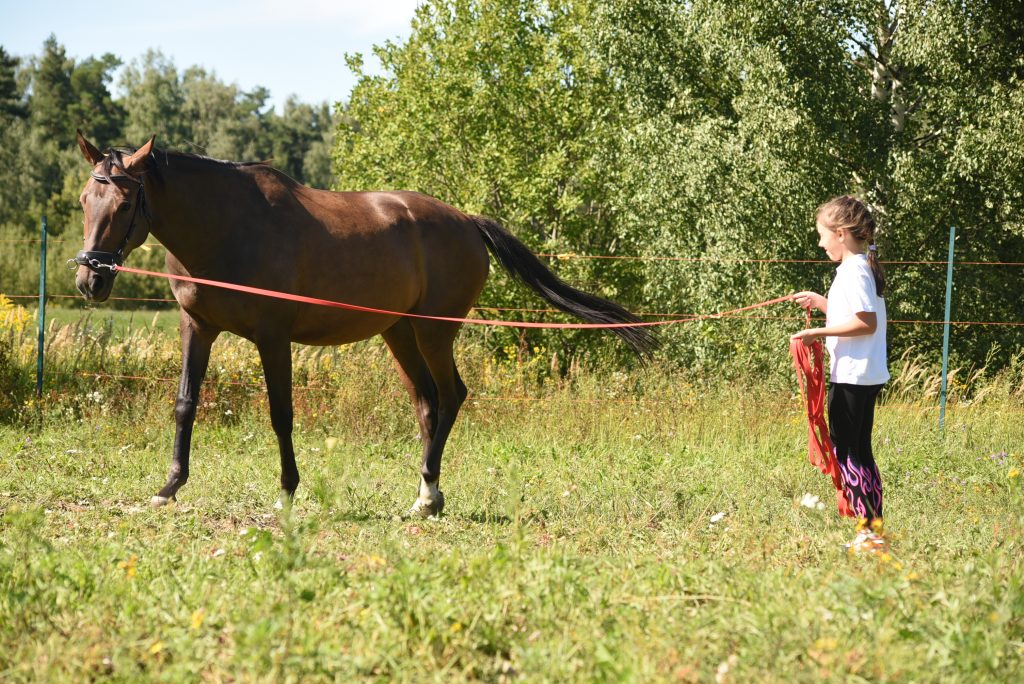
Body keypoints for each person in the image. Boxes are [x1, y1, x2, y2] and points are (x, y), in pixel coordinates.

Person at [791, 195, 890, 555]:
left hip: (852, 375)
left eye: (823, 235)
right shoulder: (860, 269)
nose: (820, 244)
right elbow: (853, 313)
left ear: (842, 233)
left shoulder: (855, 271)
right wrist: (823, 304)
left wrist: (815, 333)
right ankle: (873, 529)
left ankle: (869, 533)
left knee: (849, 454)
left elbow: (865, 322)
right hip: (862, 373)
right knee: (859, 452)